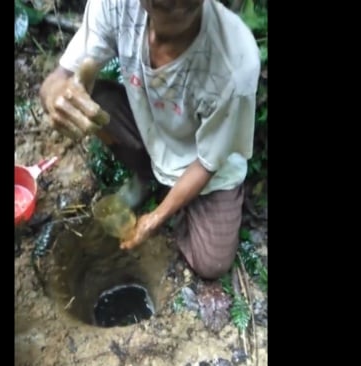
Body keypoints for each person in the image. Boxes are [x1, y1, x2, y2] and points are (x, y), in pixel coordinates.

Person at [39, 0, 261, 280]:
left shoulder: (234, 60)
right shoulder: (116, 5)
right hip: (151, 126)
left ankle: (183, 199)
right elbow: (62, 79)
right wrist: (56, 94)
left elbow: (208, 163)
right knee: (91, 101)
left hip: (203, 162)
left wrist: (157, 217)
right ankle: (148, 175)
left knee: (212, 263)